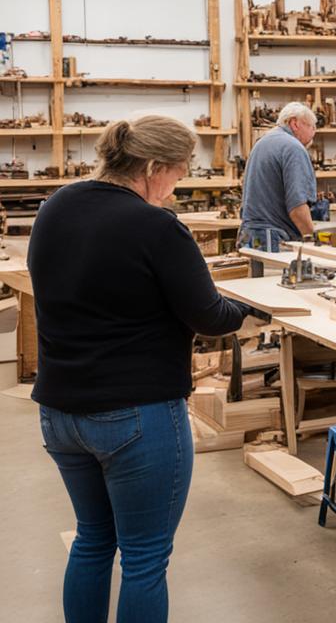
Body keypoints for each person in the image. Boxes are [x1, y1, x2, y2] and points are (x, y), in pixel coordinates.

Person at [29, 116, 261, 623]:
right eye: (176, 176)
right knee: (144, 559)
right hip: (135, 415)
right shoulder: (156, 227)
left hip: (60, 412)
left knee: (93, 540)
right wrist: (253, 309)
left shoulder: (56, 207)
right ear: (152, 167)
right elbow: (209, 316)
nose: (175, 189)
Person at [240, 101, 318, 251]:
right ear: (295, 123)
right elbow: (297, 207)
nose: (314, 133)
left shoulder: (262, 142)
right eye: (311, 127)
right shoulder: (293, 148)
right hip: (273, 239)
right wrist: (312, 243)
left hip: (250, 234)